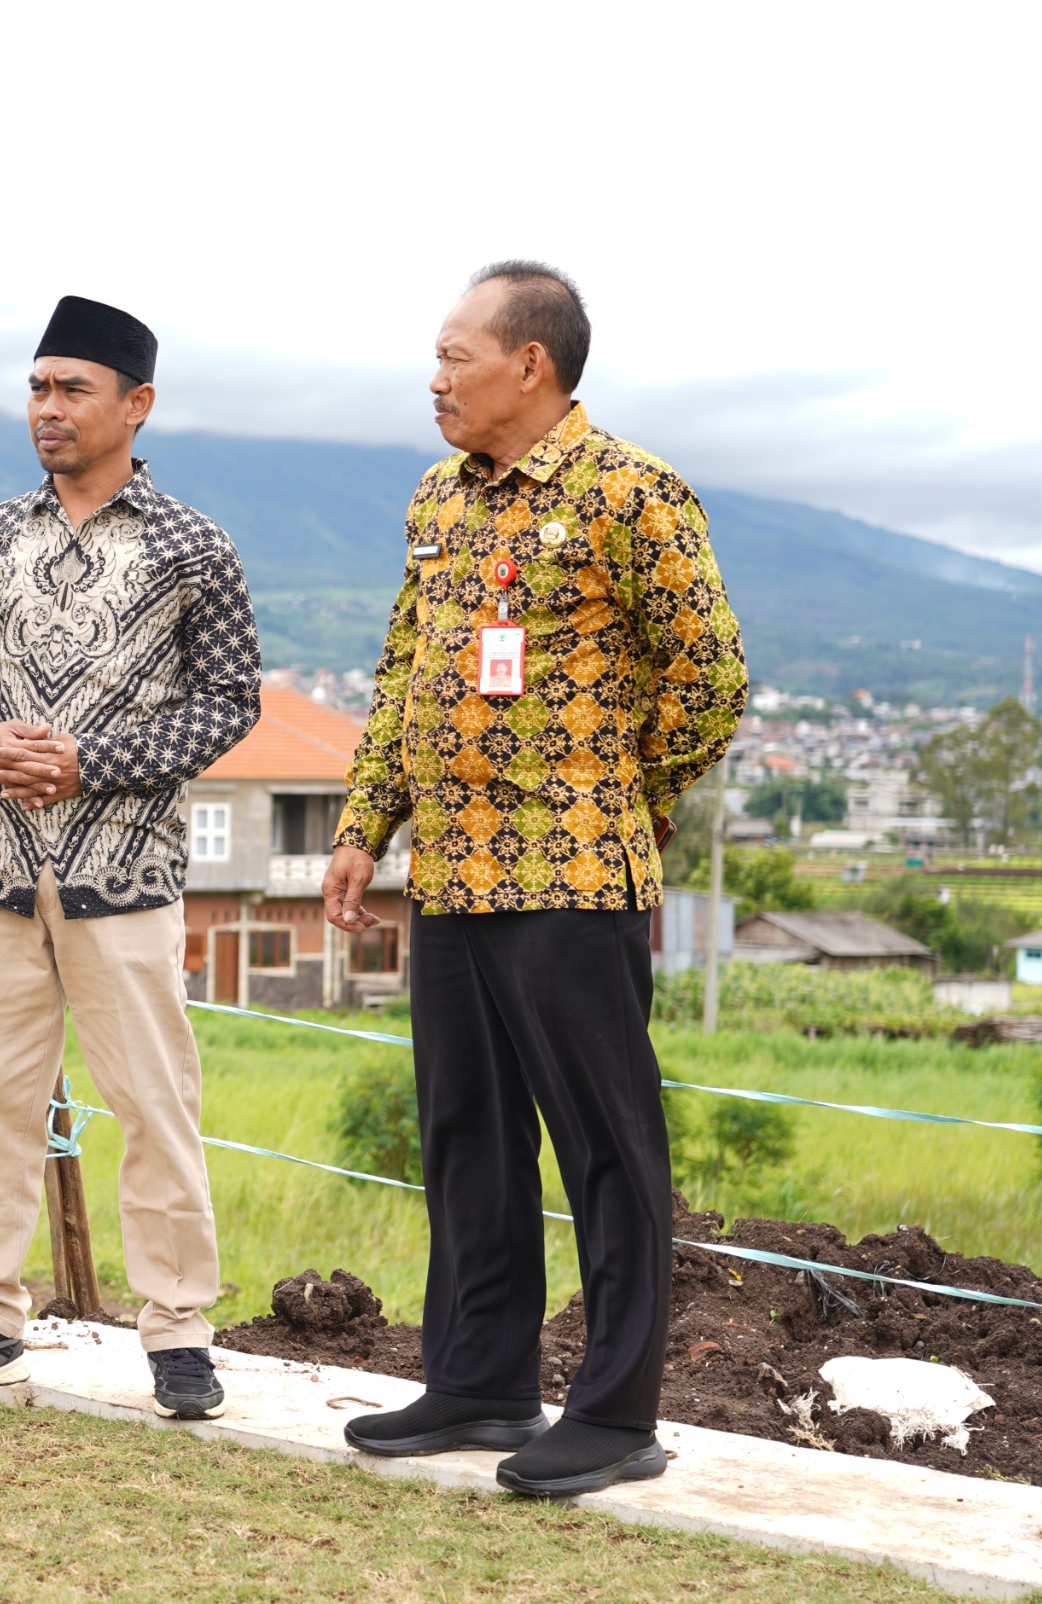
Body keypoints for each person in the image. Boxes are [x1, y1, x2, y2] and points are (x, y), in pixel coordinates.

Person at [324, 261, 746, 1495]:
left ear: (532, 365)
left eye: (456, 355)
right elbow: (405, 670)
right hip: (451, 876)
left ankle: (614, 1413)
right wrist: (366, 821)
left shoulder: (631, 492)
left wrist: (619, 797)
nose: (436, 377)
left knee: (607, 1146)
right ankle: (479, 1377)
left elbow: (709, 678)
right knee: (468, 1135)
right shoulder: (438, 498)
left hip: (571, 878)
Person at [0, 296, 262, 1420]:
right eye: (37, 387)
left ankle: (178, 1331)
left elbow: (230, 700)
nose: (47, 409)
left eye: (72, 389)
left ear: (135, 404)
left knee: (154, 1102)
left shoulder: (189, 543)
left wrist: (92, 759)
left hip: (126, 875)